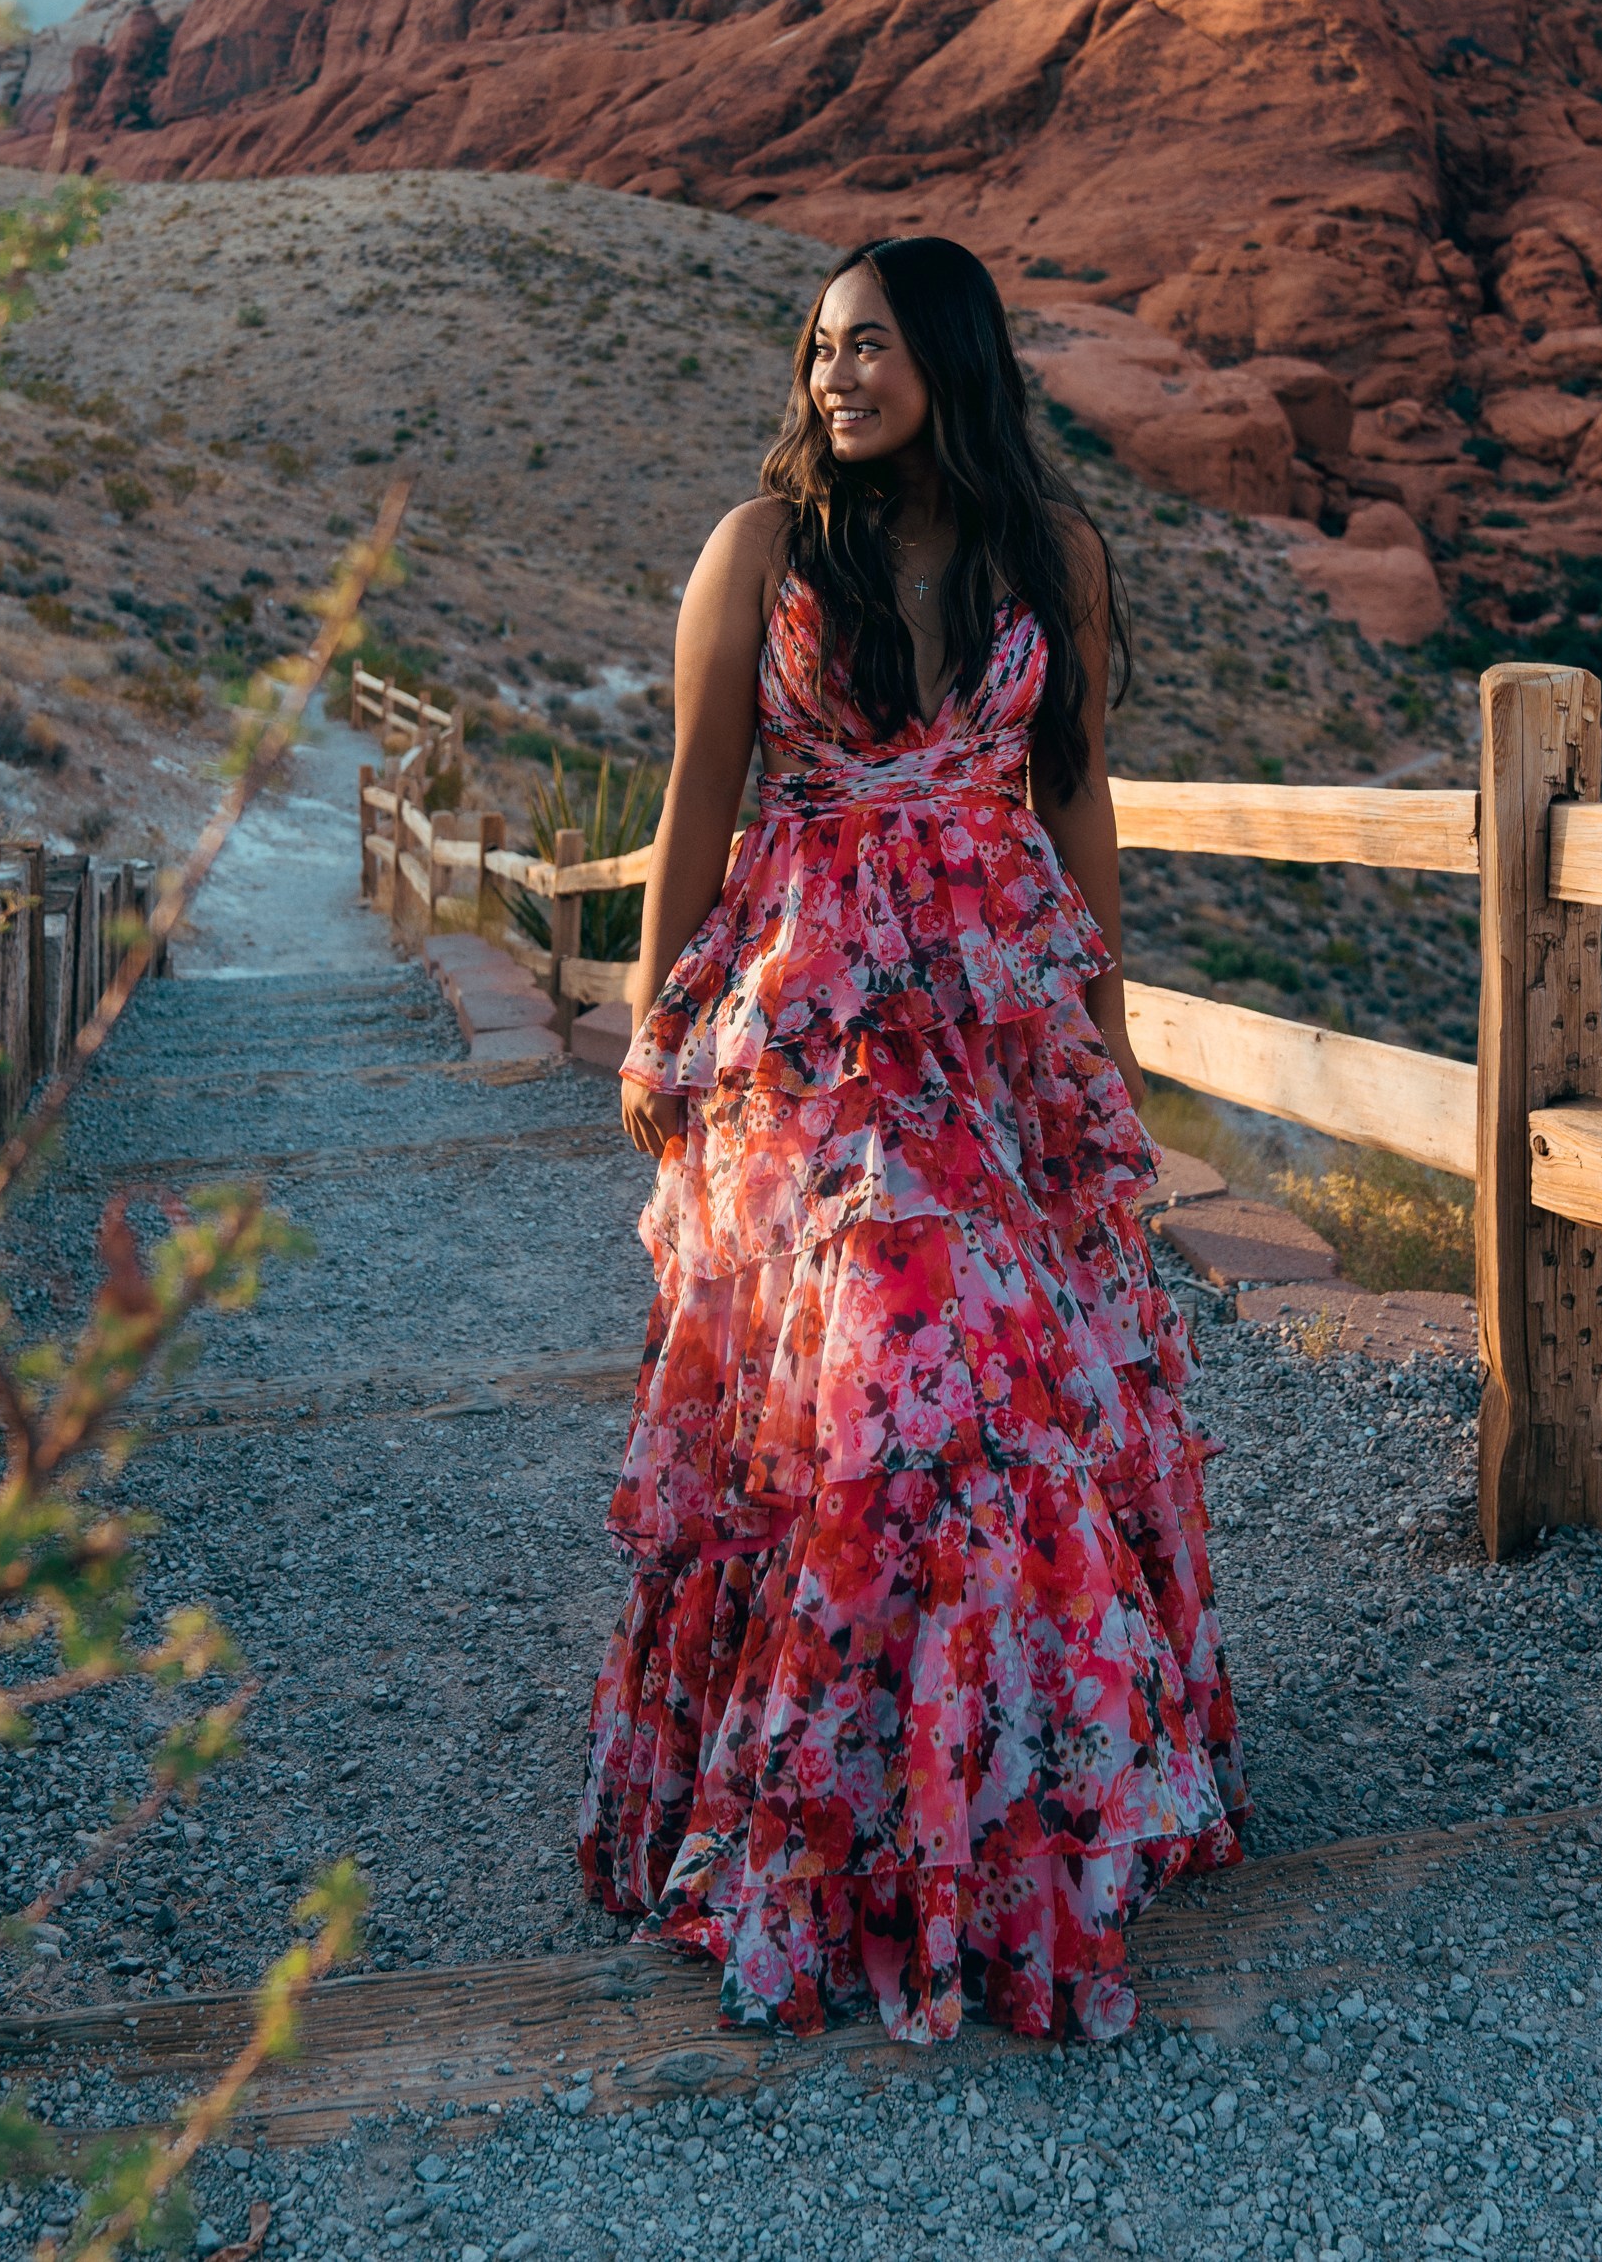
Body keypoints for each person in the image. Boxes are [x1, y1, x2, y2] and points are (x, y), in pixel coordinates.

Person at [577, 234, 1244, 2044]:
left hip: (1000, 1028)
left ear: (949, 352)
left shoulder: (1054, 557)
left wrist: (1109, 1041)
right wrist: (652, 1022)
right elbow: (699, 794)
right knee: (873, 1377)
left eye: (868, 343)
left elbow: (1074, 795)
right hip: (821, 1023)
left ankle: (1003, 1805)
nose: (835, 376)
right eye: (818, 349)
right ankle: (831, 1826)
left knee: (1018, 1396)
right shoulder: (762, 550)